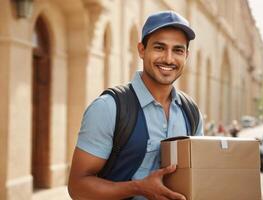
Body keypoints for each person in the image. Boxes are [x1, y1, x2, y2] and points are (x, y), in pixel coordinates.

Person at [68, 10, 204, 200]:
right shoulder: (108, 108)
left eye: (178, 50)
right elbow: (77, 187)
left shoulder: (191, 112)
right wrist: (138, 188)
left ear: (186, 55)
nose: (168, 58)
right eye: (159, 47)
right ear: (141, 50)